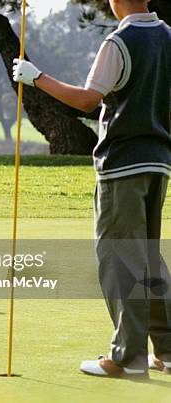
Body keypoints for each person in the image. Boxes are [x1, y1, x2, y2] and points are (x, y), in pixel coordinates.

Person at [13, 0, 171, 377]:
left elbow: (87, 100)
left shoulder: (119, 42)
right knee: (148, 258)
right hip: (158, 162)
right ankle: (167, 351)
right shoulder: (167, 36)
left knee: (120, 261)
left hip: (122, 166)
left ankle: (126, 358)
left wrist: (36, 77)